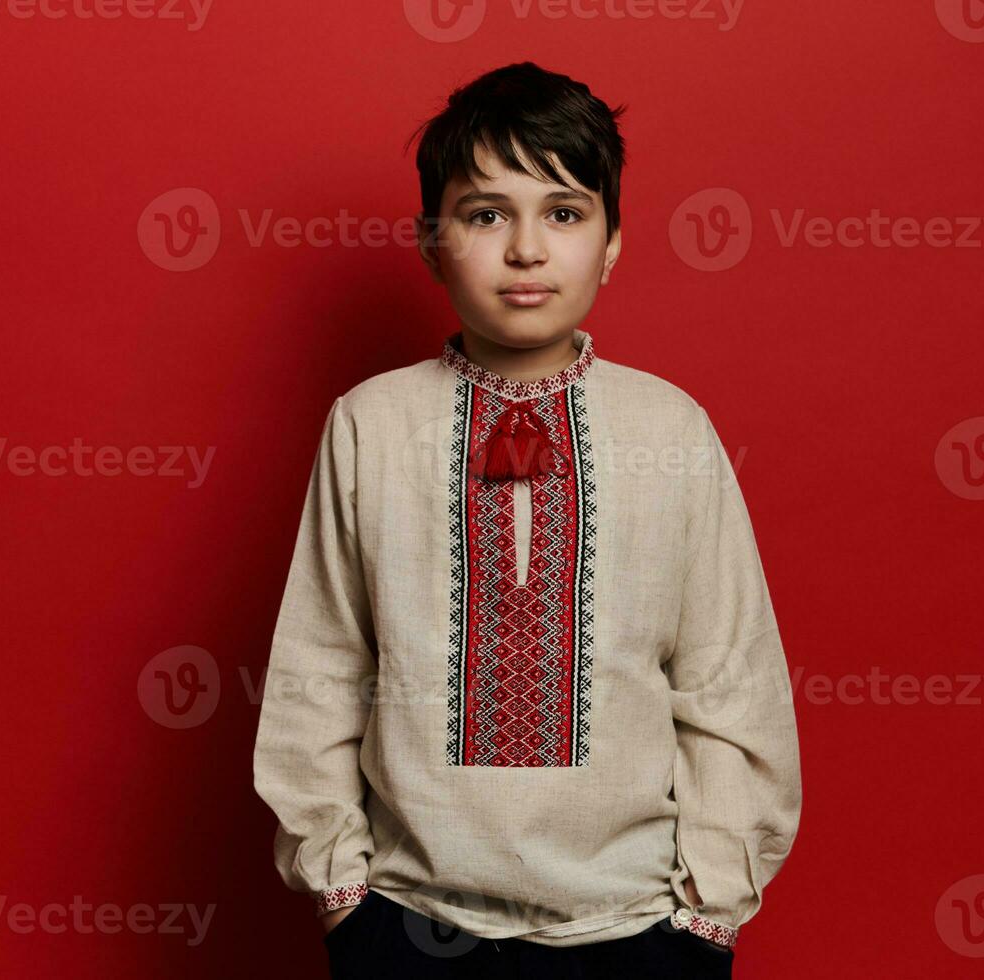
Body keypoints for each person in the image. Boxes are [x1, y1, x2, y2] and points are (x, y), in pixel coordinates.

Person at [250, 61, 802, 979]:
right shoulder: (371, 423)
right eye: (484, 214)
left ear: (612, 241)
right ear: (433, 242)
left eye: (563, 212)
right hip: (408, 923)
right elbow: (321, 665)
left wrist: (708, 913)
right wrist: (343, 895)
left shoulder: (670, 427)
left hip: (636, 931)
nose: (526, 250)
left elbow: (727, 680)